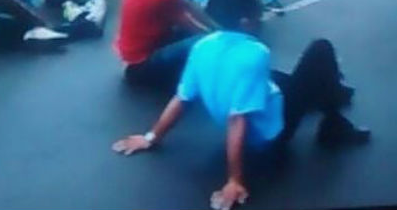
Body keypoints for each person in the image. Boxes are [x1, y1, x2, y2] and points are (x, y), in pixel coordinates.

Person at [113, 22, 369, 210]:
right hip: (274, 134)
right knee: (320, 50)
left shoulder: (202, 48)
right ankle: (332, 125)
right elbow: (238, 120)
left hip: (262, 96)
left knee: (281, 77)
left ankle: (330, 89)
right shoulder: (256, 53)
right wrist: (234, 179)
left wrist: (151, 137)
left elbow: (181, 99)